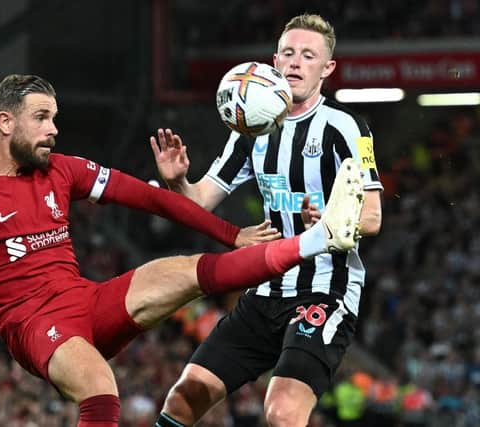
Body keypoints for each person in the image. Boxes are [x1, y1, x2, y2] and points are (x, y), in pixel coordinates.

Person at [0, 73, 364, 427]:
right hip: (33, 325)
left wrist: (231, 235)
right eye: (42, 118)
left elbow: (151, 198)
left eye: (54, 117)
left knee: (182, 270)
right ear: (6, 122)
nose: (53, 129)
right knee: (100, 385)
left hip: (84, 301)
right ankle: (316, 238)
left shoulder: (62, 169)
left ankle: (317, 238)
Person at [151, 14, 383, 427]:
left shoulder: (345, 127)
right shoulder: (251, 127)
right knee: (184, 398)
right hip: (266, 289)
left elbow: (372, 216)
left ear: (326, 68)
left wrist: (334, 218)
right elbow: (200, 200)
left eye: (308, 55)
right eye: (289, 53)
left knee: (281, 411)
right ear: (274, 60)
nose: (295, 63)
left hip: (325, 293)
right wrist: (178, 181)